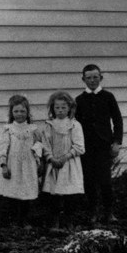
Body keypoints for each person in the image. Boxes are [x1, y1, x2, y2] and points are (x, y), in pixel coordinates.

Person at [75, 64, 124, 223]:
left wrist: (116, 142)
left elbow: (117, 120)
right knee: (89, 181)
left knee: (105, 180)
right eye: (88, 77)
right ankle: (92, 212)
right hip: (87, 147)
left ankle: (109, 212)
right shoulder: (79, 100)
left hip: (104, 146)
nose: (92, 80)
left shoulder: (108, 97)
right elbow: (75, 124)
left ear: (101, 78)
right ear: (83, 79)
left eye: (95, 77)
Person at [0, 95, 44, 228]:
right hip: (13, 165)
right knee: (13, 192)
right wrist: (4, 165)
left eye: (22, 111)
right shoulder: (8, 129)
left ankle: (25, 220)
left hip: (28, 165)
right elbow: (2, 148)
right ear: (11, 112)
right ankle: (14, 221)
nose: (19, 114)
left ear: (27, 112)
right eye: (16, 111)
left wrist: (39, 163)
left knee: (26, 192)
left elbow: (38, 146)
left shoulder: (33, 130)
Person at [41, 91, 84, 229]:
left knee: (70, 194)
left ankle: (68, 220)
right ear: (52, 108)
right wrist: (51, 158)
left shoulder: (75, 125)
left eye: (63, 107)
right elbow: (45, 144)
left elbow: (79, 146)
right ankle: (54, 221)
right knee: (54, 194)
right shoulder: (49, 125)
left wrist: (65, 157)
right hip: (53, 164)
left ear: (70, 108)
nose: (60, 110)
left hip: (69, 164)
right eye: (57, 107)